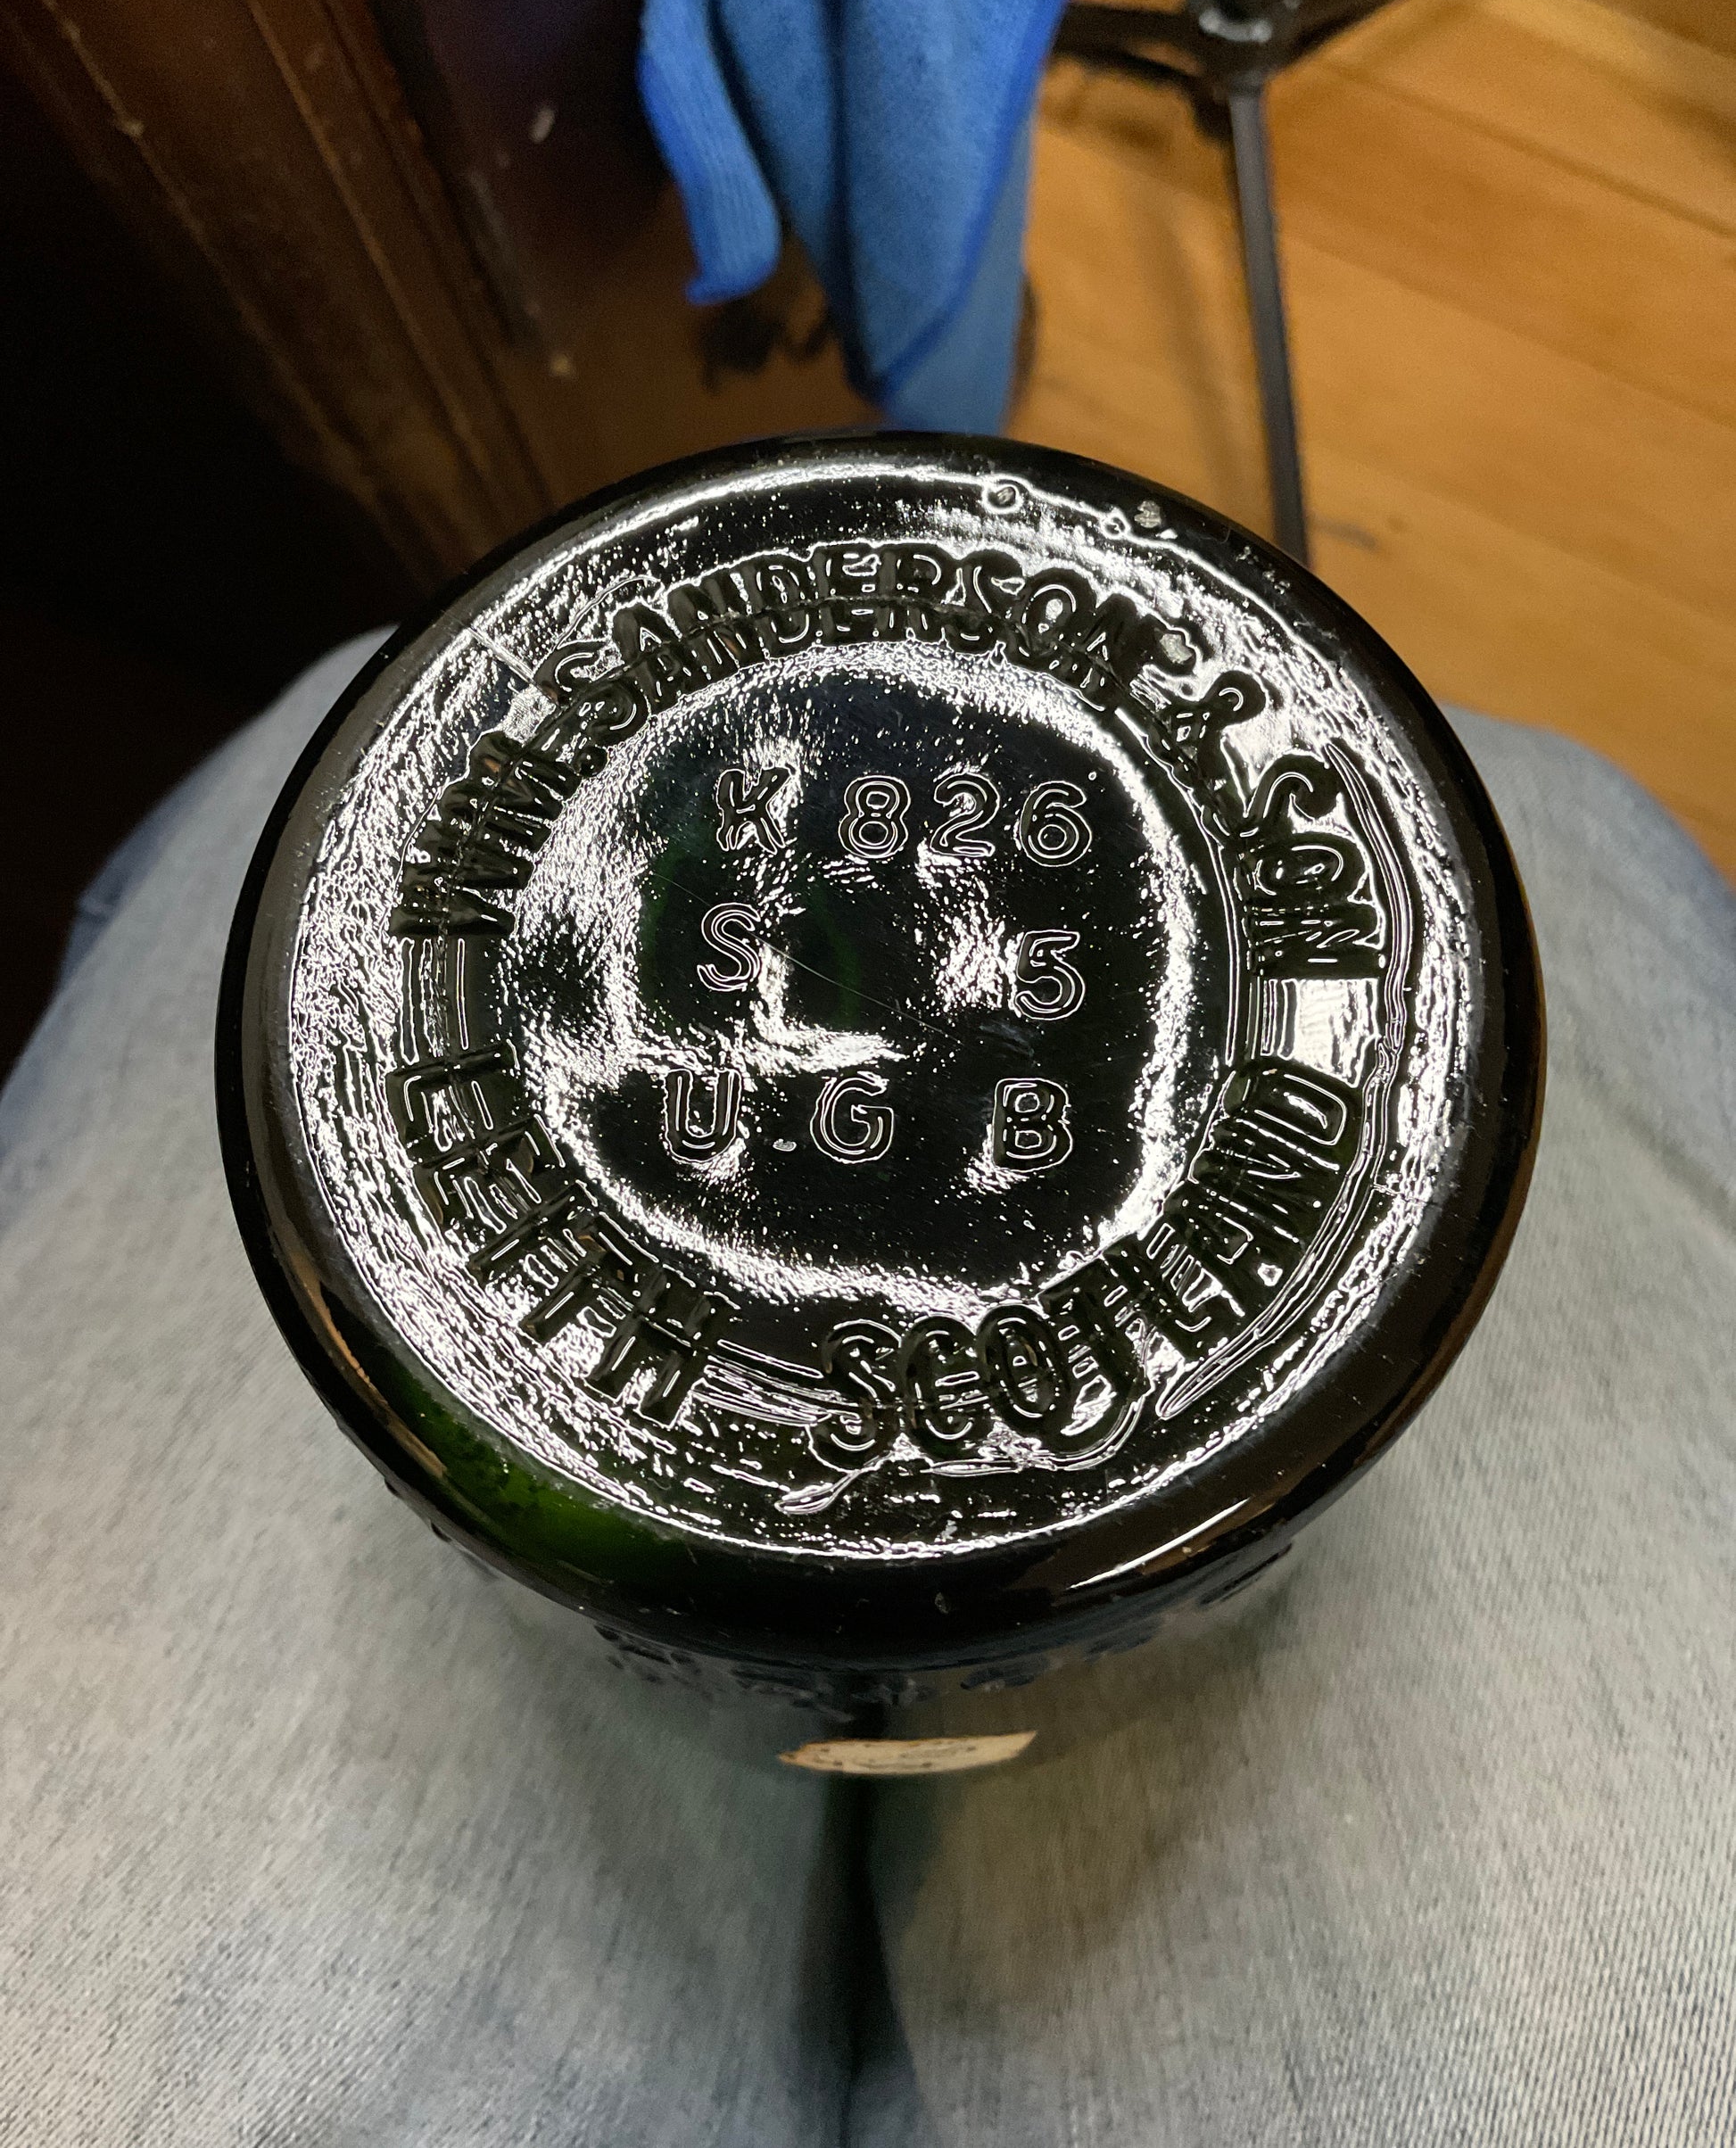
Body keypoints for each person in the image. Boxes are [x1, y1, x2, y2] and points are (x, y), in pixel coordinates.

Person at [3, 634, 1731, 2144]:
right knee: (1559, 803)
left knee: (331, 686)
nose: (839, 969)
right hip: (693, 1587)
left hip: (998, 1611)